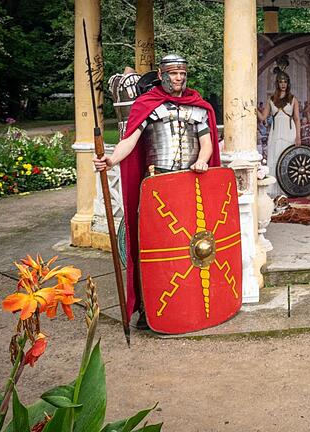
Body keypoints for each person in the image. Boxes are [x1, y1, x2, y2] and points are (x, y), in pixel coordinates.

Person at [92, 54, 221, 325]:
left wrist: (201, 160)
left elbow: (207, 143)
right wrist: (111, 160)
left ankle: (192, 303)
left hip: (189, 184)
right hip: (158, 187)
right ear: (162, 75)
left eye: (182, 74)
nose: (178, 79)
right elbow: (130, 140)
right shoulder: (148, 106)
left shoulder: (197, 107)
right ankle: (150, 308)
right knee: (154, 248)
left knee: (193, 245)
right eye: (173, 74)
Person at [257, 66, 301, 196]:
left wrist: (298, 137)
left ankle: (288, 189)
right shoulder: (271, 99)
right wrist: (254, 109)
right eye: (281, 82)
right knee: (275, 158)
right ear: (277, 83)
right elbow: (263, 117)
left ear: (288, 84)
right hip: (275, 134)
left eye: (285, 82)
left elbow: (297, 119)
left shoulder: (293, 99)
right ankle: (274, 190)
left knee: (288, 160)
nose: (283, 84)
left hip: (289, 132)